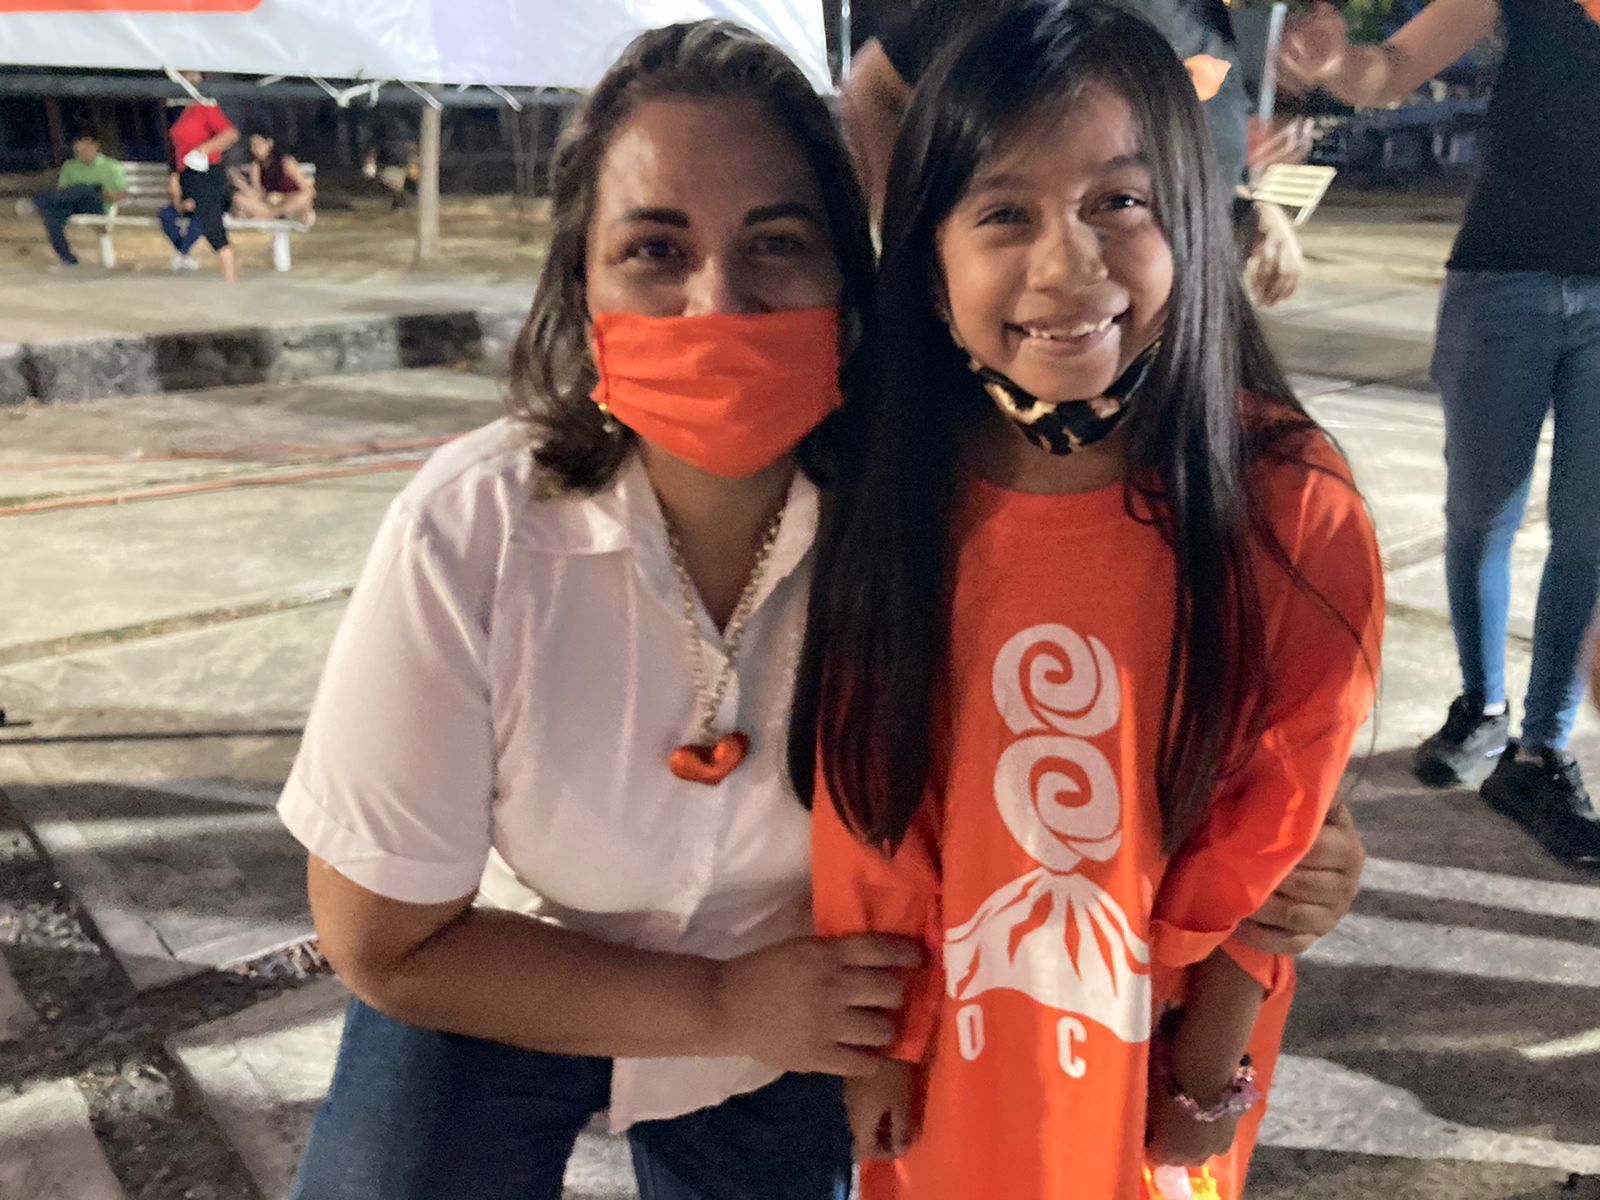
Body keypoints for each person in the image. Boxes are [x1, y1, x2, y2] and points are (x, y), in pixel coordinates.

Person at [280, 18, 1364, 1200]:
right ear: (577, 283)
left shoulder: (939, 498)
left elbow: (1208, 719)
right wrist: (714, 1002)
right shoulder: (474, 528)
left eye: (778, 243)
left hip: (811, 1012)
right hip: (514, 973)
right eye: (653, 248)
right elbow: (384, 942)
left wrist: (1286, 865)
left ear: (854, 278)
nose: (719, 301)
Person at [796, 6, 1383, 1200]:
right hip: (951, 1035)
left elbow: (1281, 814)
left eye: (1118, 201)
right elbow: (866, 786)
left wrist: (1207, 1047)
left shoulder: (1287, 499)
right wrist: (885, 1038)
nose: (1067, 267)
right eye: (1003, 214)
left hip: (1163, 1046)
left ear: (1193, 220)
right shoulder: (894, 482)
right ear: (927, 251)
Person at [1279, 0, 1600, 864]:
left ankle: (1540, 752)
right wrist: (1332, 64)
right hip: (1504, 278)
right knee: (1481, 514)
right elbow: (1390, 69)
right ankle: (1482, 704)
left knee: (1589, 535)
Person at [839, 0, 1307, 305]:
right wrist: (909, 243)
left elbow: (1180, 145)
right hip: (1060, 309)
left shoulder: (1209, 18)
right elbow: (872, 89)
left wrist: (1249, 210)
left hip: (1179, 315)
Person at [18, 131, 127, 269]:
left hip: (97, 205)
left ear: (95, 146)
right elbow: (63, 193)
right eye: (79, 148)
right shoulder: (70, 166)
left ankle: (36, 203)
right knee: (51, 216)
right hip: (73, 204)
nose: (82, 151)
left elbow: (122, 194)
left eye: (86, 146)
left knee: (88, 188)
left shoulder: (111, 166)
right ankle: (68, 259)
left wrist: (104, 194)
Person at [169, 74, 240, 283]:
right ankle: (226, 276)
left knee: (212, 225)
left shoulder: (206, 105)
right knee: (202, 221)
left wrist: (202, 150)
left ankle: (230, 280)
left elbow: (230, 134)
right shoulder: (183, 109)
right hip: (189, 175)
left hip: (205, 173)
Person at [232, 130, 316, 224]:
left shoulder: (286, 162)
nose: (255, 149)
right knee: (238, 197)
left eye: (258, 144)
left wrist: (282, 197)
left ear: (269, 143)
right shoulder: (256, 166)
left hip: (290, 201)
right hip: (270, 203)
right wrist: (242, 185)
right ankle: (272, 214)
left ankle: (269, 215)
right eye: (252, 145)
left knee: (304, 197)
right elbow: (258, 193)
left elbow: (309, 191)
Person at [159, 170, 204, 272]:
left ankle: (182, 252)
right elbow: (173, 194)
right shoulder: (178, 175)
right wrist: (180, 205)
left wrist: (196, 203)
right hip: (179, 205)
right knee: (165, 216)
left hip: (198, 208)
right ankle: (183, 252)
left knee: (201, 220)